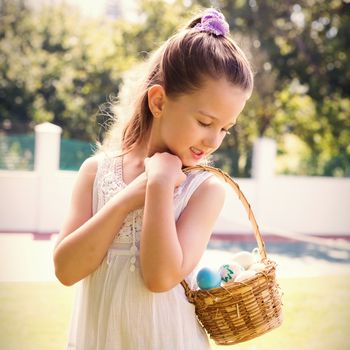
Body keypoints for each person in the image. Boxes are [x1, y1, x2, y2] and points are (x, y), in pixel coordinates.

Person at [53, 7, 253, 350]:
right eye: (205, 122)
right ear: (159, 101)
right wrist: (130, 198)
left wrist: (160, 186)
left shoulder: (205, 190)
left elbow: (160, 278)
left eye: (224, 128)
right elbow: (66, 270)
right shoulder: (96, 173)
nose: (213, 140)